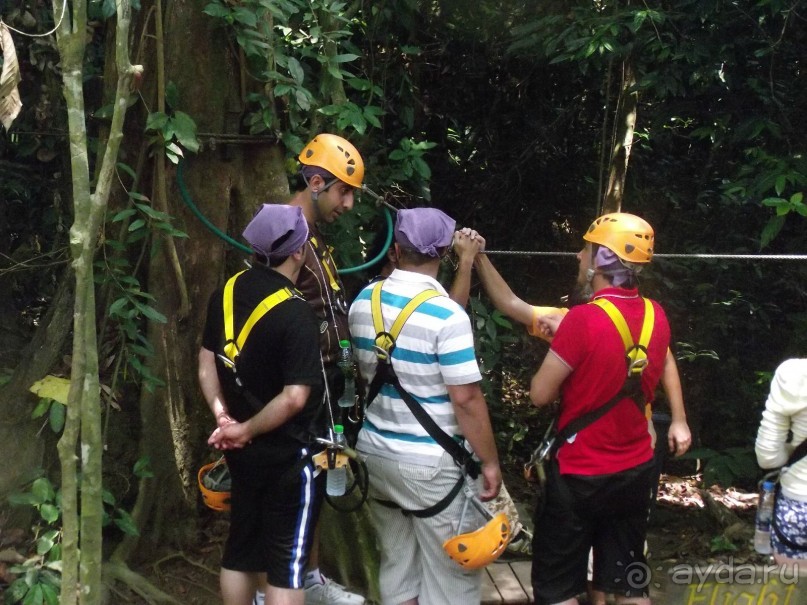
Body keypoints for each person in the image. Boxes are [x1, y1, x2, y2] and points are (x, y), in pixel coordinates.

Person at [348, 208, 503, 604]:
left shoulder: (364, 300)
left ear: (397, 250)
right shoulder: (447, 316)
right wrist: (489, 462)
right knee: (452, 581)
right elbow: (466, 398)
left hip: (375, 456)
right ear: (444, 252)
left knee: (399, 570)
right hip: (431, 466)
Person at [527, 212, 671, 605]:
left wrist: (567, 344)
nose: (579, 256)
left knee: (557, 590)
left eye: (586, 249)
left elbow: (539, 394)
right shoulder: (657, 315)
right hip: (635, 471)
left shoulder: (583, 320)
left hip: (581, 474)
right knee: (629, 585)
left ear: (602, 260)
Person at [198, 204, 325, 605]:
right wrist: (246, 429)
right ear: (298, 251)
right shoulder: (296, 312)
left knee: (241, 551)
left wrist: (224, 419)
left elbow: (206, 363)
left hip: (241, 454)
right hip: (289, 455)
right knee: (286, 567)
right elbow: (294, 396)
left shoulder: (226, 293)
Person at [287, 133, 367, 605]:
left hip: (322, 386)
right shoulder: (285, 231)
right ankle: (278, 587)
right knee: (294, 488)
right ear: (316, 183)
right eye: (343, 192)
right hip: (298, 386)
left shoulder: (311, 233)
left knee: (316, 482)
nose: (349, 204)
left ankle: (311, 579)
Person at [755, 359, 807, 568]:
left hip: (799, 505)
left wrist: (793, 450)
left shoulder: (794, 372)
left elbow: (768, 457)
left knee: (796, 587)